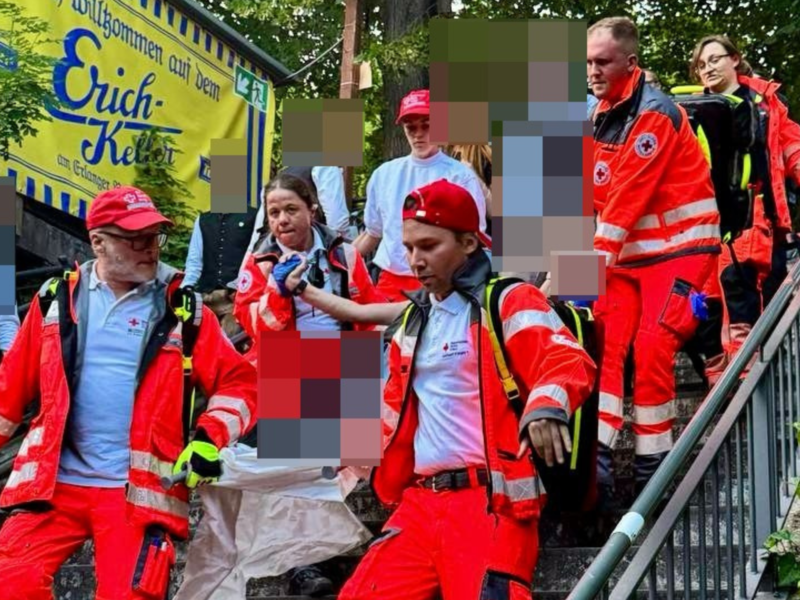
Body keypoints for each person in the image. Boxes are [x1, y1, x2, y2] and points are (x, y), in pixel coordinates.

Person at [335, 179, 596, 600]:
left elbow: (567, 359)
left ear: (470, 242)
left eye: (429, 246)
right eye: (409, 247)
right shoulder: (411, 322)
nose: (415, 261)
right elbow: (392, 411)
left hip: (491, 503)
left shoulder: (510, 300)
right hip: (419, 505)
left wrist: (546, 406)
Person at [0, 186, 257, 600]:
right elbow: (7, 395)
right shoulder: (55, 301)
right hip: (52, 489)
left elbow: (241, 383)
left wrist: (209, 439)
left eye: (154, 236)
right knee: (9, 584)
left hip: (139, 496)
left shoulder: (182, 307)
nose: (150, 248)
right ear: (98, 242)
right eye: (135, 238)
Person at [176, 173, 381, 600]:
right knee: (297, 474)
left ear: (312, 209)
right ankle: (302, 565)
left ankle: (323, 554)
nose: (282, 220)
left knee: (335, 474)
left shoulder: (344, 253)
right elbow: (254, 323)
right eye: (273, 212)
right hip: (289, 364)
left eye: (290, 209)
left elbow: (367, 308)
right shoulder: (260, 261)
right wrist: (278, 293)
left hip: (347, 364)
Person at [588, 17, 721, 496]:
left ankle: (653, 467)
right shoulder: (600, 115)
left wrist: (571, 279)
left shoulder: (655, 116)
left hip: (680, 253)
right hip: (628, 260)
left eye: (602, 61)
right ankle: (596, 461)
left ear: (630, 62)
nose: (593, 71)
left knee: (651, 346)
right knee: (605, 338)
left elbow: (625, 201)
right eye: (588, 61)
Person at [689, 35, 800, 368]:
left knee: (768, 304)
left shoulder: (765, 103)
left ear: (734, 59)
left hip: (764, 219)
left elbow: (791, 148)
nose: (707, 68)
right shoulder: (692, 111)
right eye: (701, 64)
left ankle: (761, 382)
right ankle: (737, 388)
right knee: (725, 308)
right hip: (714, 226)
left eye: (714, 59)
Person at [353, 89, 488, 302]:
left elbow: (474, 237)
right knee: (386, 334)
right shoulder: (384, 175)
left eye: (426, 126)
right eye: (411, 127)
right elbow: (373, 232)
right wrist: (337, 264)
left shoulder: (460, 175)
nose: (418, 134)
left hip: (444, 282)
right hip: (392, 282)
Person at [183, 209, 258, 338]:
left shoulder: (254, 216)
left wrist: (242, 290)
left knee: (230, 343)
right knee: (195, 343)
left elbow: (256, 257)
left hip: (235, 298)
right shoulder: (203, 219)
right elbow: (194, 263)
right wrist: (184, 290)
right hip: (205, 295)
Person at [245, 166, 351, 258]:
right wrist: (345, 255)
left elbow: (257, 233)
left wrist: (248, 263)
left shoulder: (280, 177)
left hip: (272, 255)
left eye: (291, 209)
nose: (282, 219)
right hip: (316, 256)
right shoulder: (326, 169)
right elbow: (338, 222)